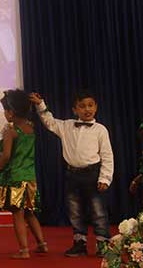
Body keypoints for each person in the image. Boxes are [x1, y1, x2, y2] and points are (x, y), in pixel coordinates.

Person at [30, 91, 113, 257]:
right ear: (75, 110)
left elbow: (107, 155)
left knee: (98, 211)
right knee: (75, 210)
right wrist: (40, 104)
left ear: (96, 107)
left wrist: (105, 178)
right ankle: (79, 243)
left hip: (92, 174)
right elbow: (49, 122)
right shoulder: (67, 126)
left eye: (90, 105)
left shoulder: (100, 130)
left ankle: (103, 243)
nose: (87, 109)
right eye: (82, 106)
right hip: (72, 175)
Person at [0, 90, 47, 259]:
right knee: (29, 212)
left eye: (4, 110)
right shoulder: (31, 129)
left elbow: (6, 156)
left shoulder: (11, 132)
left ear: (11, 112)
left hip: (15, 178)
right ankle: (42, 243)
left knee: (17, 214)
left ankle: (24, 250)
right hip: (30, 177)